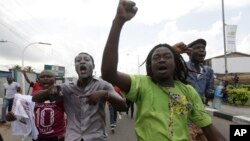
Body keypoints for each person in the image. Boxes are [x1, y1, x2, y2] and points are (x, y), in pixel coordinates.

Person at [101, 0, 226, 141]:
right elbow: (108, 73)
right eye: (156, 58)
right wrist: (118, 21)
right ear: (150, 66)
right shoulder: (142, 85)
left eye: (167, 56)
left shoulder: (189, 92)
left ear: (176, 63)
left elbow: (208, 127)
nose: (161, 60)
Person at [33, 52, 127, 141]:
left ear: (93, 66)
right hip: (72, 138)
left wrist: (105, 94)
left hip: (96, 138)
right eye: (78, 61)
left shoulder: (104, 85)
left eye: (86, 59)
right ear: (75, 67)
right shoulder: (66, 87)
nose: (82, 62)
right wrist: (49, 91)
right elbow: (35, 98)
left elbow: (123, 107)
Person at [7, 70, 66, 141]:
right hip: (37, 135)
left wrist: (64, 132)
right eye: (42, 77)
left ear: (55, 79)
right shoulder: (31, 97)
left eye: (49, 76)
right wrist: (14, 117)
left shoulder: (61, 95)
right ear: (38, 81)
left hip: (56, 135)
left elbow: (71, 115)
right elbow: (25, 117)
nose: (45, 78)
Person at [185, 39, 215, 106]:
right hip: (181, 106)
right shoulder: (182, 66)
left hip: (199, 107)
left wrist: (212, 93)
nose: (202, 50)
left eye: (203, 48)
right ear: (188, 52)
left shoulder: (208, 71)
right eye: (197, 48)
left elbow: (209, 89)